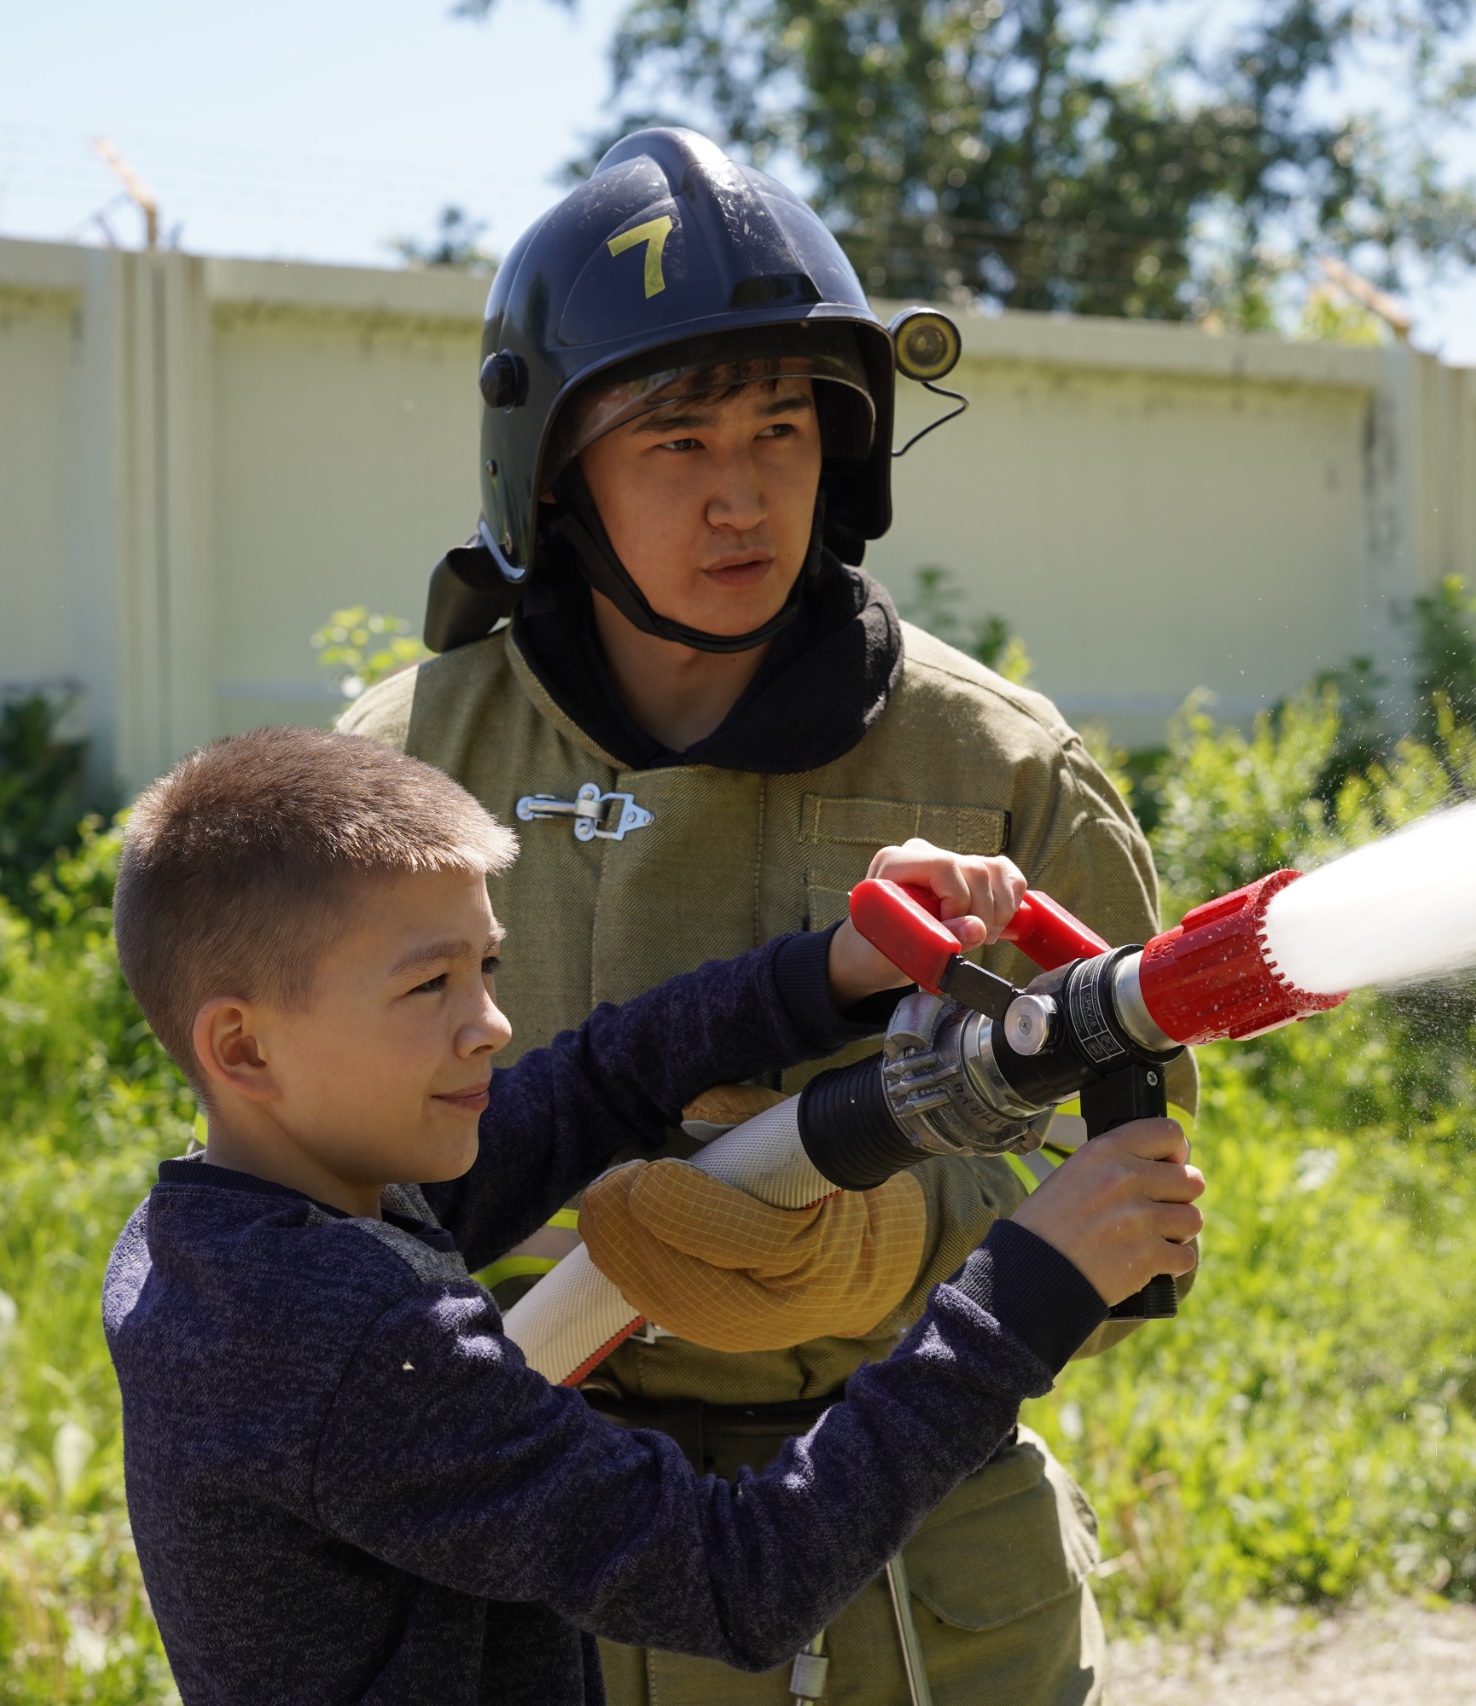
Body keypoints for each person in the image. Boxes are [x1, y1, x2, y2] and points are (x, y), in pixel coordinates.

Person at [341, 125, 1192, 1705]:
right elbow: (308, 1207)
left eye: (784, 430)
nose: (741, 496)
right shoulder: (400, 768)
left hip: (917, 1593)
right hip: (533, 1573)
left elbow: (1137, 1215)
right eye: (675, 440)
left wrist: (891, 1247)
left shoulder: (1001, 768)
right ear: (554, 473)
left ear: (846, 449)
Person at [99, 726, 1203, 1706]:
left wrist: (839, 965)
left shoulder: (229, 1227)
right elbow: (744, 1576)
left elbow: (596, 1078)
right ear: (243, 1045)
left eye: (487, 964)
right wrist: (1021, 1288)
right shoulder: (341, 1341)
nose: (489, 1022)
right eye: (427, 985)